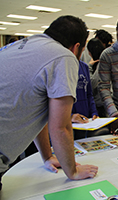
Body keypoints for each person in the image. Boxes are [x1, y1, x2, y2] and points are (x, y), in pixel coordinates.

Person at [0, 15, 98, 190]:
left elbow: (39, 115)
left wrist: (47, 157)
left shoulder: (24, 45)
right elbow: (60, 127)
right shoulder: (64, 57)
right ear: (77, 48)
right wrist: (73, 171)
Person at [71, 60, 100, 140]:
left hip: (85, 121)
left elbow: (89, 94)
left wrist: (94, 112)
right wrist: (69, 116)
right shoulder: (58, 66)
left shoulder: (84, 66)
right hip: (67, 123)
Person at [86, 38, 107, 117]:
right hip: (102, 102)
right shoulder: (103, 61)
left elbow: (92, 83)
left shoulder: (101, 64)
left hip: (101, 104)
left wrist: (89, 66)